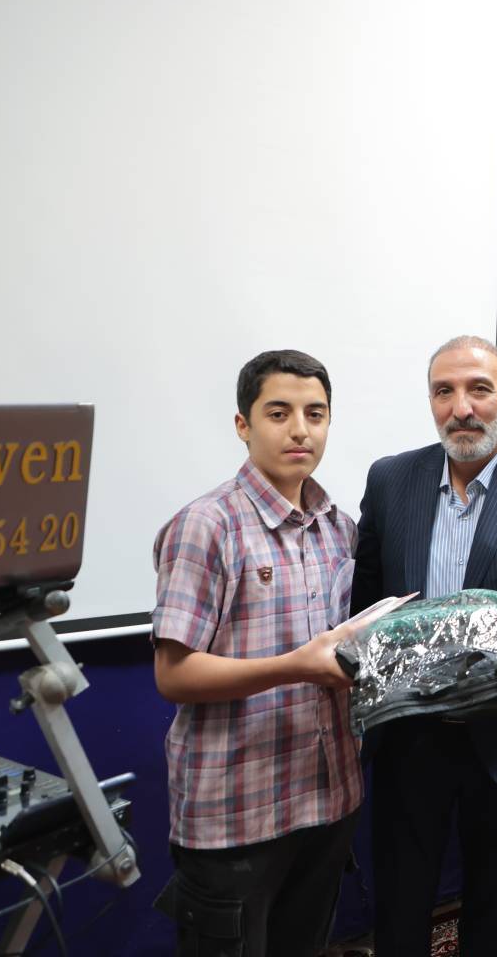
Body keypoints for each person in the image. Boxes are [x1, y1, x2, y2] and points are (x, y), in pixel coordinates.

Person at [353, 335, 497, 957]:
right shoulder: (390, 478)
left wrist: (439, 653)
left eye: (479, 389)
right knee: (400, 905)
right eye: (444, 391)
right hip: (409, 732)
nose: (462, 408)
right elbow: (367, 604)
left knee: (493, 909)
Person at [151, 349, 362, 956]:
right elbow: (174, 674)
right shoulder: (207, 524)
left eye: (315, 414)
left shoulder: (339, 526)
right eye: (279, 413)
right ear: (243, 425)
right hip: (236, 813)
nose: (300, 430)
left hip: (327, 799)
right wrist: (295, 668)